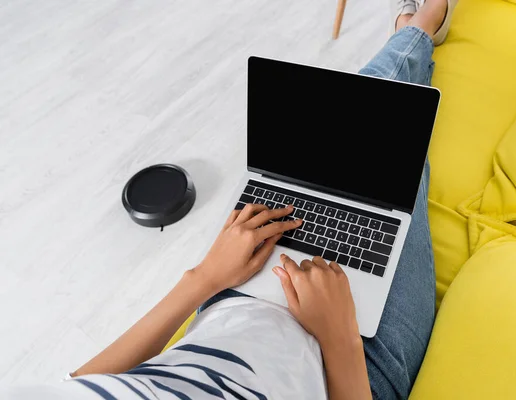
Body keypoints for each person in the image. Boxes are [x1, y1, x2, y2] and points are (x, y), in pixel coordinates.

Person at [1, 0, 457, 398]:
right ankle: (418, 25)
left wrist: (203, 279)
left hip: (230, 304)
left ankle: (412, 31)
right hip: (354, 367)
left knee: (332, 153)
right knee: (390, 162)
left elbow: (80, 383)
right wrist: (340, 339)